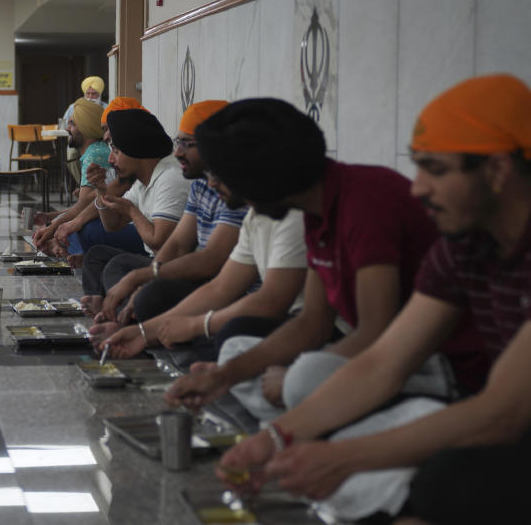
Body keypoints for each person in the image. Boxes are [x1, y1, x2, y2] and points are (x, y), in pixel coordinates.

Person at [217, 75, 530, 524]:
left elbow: (504, 413)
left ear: (498, 171)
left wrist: (344, 457)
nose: (418, 188)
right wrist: (275, 439)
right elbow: (383, 361)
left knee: (446, 482)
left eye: (435, 170)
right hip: (473, 406)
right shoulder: (465, 245)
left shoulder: (375, 201)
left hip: (493, 413)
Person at [164, 98, 486, 425]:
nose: (216, 186)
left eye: (226, 177)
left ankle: (304, 434)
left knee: (303, 377)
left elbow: (376, 333)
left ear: (262, 177)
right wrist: (224, 376)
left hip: (434, 366)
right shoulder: (314, 212)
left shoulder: (364, 203)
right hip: (383, 357)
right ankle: (300, 432)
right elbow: (312, 323)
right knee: (236, 356)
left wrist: (291, 380)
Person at [103, 173, 307, 361]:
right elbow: (219, 287)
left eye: (220, 172)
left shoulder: (293, 216)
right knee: (118, 268)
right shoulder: (255, 214)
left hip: (293, 323)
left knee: (228, 333)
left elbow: (270, 302)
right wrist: (144, 331)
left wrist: (196, 325)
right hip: (249, 309)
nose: (212, 182)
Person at [87, 100, 247, 334]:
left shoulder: (176, 178)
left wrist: (142, 279)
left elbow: (196, 256)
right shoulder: (202, 184)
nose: (178, 152)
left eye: (186, 144)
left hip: (208, 280)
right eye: (177, 143)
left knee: (147, 291)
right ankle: (122, 312)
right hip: (190, 273)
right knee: (106, 260)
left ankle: (126, 316)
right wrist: (102, 190)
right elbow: (177, 244)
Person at [80, 108, 193, 316]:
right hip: (155, 261)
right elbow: (112, 225)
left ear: (136, 149)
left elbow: (159, 242)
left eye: (117, 151)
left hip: (171, 266)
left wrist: (132, 211)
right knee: (97, 255)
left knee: (119, 265)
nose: (112, 161)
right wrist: (100, 190)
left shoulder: (171, 178)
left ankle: (118, 310)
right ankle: (103, 301)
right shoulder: (144, 179)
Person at [46, 97, 150, 260]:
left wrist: (59, 225)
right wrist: (55, 222)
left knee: (85, 229)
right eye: (104, 129)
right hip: (141, 236)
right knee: (80, 227)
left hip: (152, 248)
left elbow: (165, 242)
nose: (106, 135)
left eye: (108, 128)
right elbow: (103, 210)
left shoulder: (97, 153)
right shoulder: (124, 161)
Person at [32, 98, 110, 247]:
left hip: (108, 224)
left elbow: (83, 208)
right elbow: (87, 204)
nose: (67, 128)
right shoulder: (96, 150)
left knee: (74, 232)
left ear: (85, 127)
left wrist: (52, 228)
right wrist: (49, 217)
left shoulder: (95, 155)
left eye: (72, 123)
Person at [62, 76, 108, 187]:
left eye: (94, 94)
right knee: (71, 154)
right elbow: (64, 125)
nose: (91, 97)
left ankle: (91, 186)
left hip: (97, 142)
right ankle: (83, 184)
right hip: (78, 143)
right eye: (88, 94)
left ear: (100, 94)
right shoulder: (74, 107)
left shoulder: (105, 108)